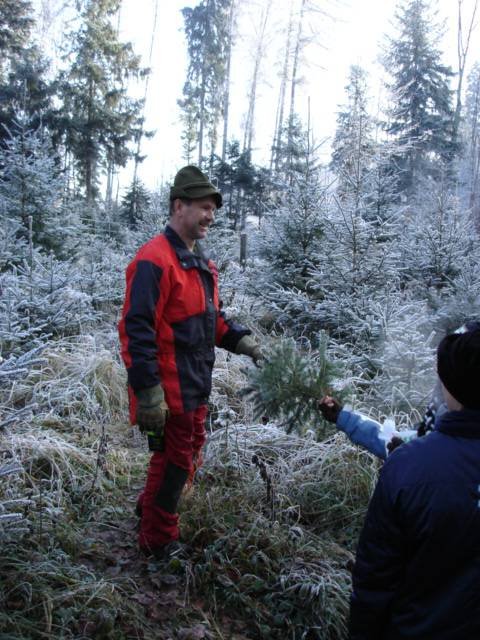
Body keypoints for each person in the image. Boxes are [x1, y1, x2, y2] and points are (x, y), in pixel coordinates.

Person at [118, 165, 262, 559]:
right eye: (203, 207)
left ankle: (150, 509)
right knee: (176, 461)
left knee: (186, 452)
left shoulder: (200, 263)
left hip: (196, 383)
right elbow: (136, 329)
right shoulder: (154, 260)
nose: (210, 216)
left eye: (213, 209)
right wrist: (149, 392)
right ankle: (157, 540)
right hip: (169, 389)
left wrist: (247, 344)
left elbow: (213, 321)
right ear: (178, 206)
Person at [348, 326, 480, 639]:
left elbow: (375, 580)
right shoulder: (412, 461)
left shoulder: (410, 466)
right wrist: (343, 417)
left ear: (450, 385)